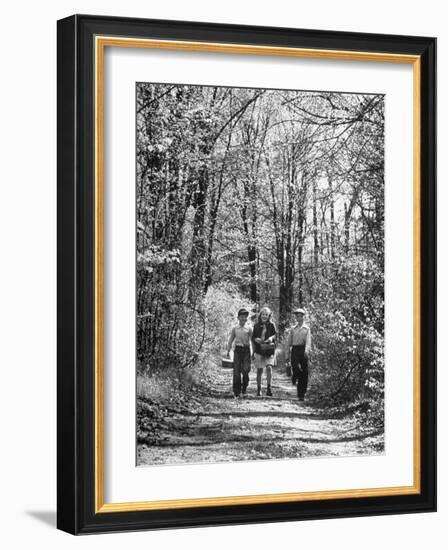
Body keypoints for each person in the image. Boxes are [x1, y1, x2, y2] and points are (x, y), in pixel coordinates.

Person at [286, 307, 311, 401]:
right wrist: (287, 355)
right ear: (295, 318)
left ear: (303, 317)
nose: (299, 318)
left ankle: (301, 393)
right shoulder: (293, 329)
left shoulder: (307, 329)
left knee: (304, 372)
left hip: (303, 349)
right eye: (297, 316)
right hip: (295, 350)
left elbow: (308, 341)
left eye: (301, 316)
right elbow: (288, 343)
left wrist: (307, 351)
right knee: (295, 367)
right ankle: (294, 376)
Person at [227, 308, 253, 398]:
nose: (243, 318)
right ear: (238, 318)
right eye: (241, 316)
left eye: (245, 317)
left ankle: (244, 387)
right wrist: (228, 349)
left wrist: (254, 352)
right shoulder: (235, 328)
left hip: (246, 350)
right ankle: (236, 391)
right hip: (237, 350)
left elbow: (252, 341)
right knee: (236, 371)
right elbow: (231, 339)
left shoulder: (249, 328)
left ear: (246, 318)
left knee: (246, 370)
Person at [252, 306, 277, 397]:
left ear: (269, 316)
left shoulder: (272, 325)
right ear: (260, 315)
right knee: (259, 370)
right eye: (263, 314)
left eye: (266, 314)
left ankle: (269, 388)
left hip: (269, 350)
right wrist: (256, 340)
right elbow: (253, 337)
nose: (264, 316)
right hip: (259, 350)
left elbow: (275, 335)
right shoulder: (256, 326)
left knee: (269, 368)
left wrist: (271, 338)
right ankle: (259, 389)